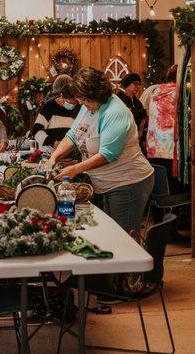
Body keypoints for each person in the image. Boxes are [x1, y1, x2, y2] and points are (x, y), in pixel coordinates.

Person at [50, 67, 154, 234]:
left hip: (127, 183)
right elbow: (72, 135)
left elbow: (108, 155)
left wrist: (75, 169)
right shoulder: (89, 104)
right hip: (107, 183)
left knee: (122, 239)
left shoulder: (115, 112)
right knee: (110, 233)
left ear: (97, 93)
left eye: (85, 100)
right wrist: (54, 157)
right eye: (80, 99)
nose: (82, 103)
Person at [32, 74, 80, 151]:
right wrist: (53, 143)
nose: (72, 105)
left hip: (72, 154)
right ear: (62, 94)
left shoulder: (77, 106)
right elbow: (36, 130)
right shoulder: (49, 106)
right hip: (50, 153)